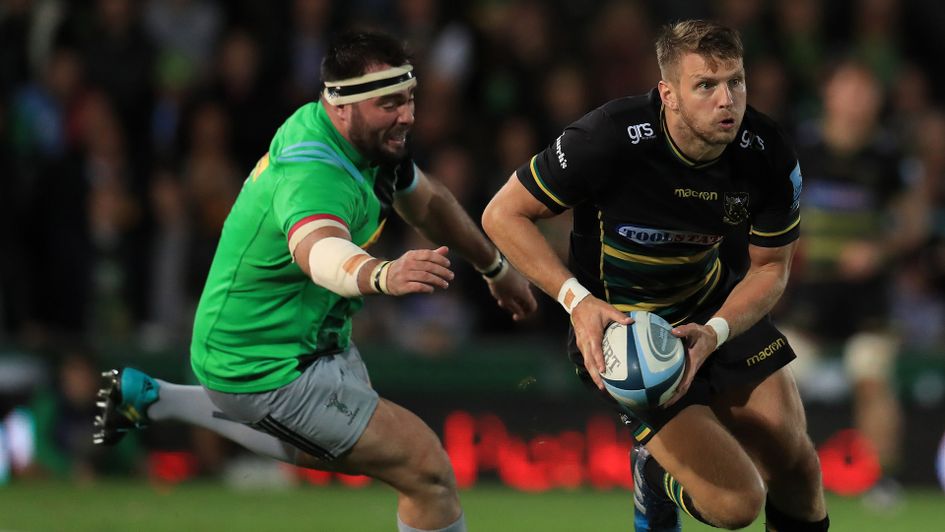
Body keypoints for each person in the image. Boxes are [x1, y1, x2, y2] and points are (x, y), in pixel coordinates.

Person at [94, 29, 536, 532]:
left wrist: (494, 267)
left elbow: (427, 201)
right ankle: (164, 400)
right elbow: (320, 253)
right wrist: (384, 274)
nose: (408, 116)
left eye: (410, 100)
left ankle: (156, 398)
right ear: (342, 106)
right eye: (390, 103)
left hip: (309, 342)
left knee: (366, 456)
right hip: (259, 361)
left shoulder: (365, 142)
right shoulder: (312, 171)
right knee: (424, 469)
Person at [483, 20, 828, 531]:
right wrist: (577, 302)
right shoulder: (606, 139)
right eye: (705, 85)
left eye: (735, 81)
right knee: (736, 507)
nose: (726, 101)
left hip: (713, 309)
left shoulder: (767, 152)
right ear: (668, 93)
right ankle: (655, 477)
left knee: (796, 464)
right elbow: (501, 215)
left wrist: (713, 333)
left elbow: (771, 268)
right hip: (623, 334)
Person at [781, 59, 923, 507]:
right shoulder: (800, 147)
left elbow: (915, 219)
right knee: (779, 379)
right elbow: (765, 204)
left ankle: (883, 478)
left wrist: (878, 250)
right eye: (848, 89)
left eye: (866, 91)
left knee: (872, 375)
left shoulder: (889, 155)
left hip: (867, 297)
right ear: (829, 94)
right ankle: (774, 473)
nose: (857, 99)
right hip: (807, 293)